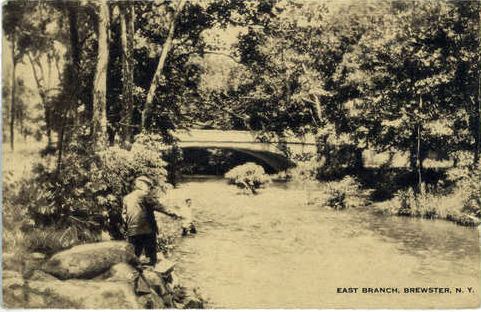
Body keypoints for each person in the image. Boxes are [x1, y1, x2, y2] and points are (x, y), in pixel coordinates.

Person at [122, 176, 180, 266]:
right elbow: (159, 207)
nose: (149, 188)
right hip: (147, 231)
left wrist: (129, 226)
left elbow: (124, 216)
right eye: (148, 185)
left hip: (132, 232)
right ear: (140, 184)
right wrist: (174, 213)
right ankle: (152, 274)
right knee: (151, 257)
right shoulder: (145, 196)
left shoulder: (126, 198)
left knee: (134, 257)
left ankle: (134, 275)